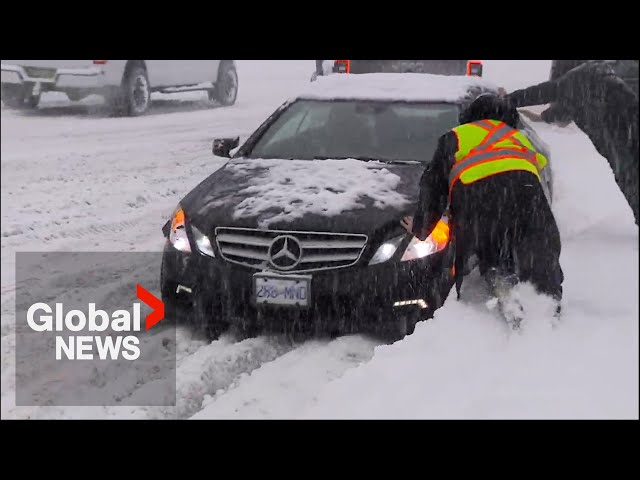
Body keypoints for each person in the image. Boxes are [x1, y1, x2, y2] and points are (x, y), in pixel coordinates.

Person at [401, 94, 564, 324]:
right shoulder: (519, 138)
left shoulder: (455, 137)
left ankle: (500, 284)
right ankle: (548, 310)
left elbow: (433, 187)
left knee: (488, 250)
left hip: (481, 203)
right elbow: (537, 170)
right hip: (529, 198)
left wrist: (421, 227)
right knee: (540, 254)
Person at [503, 60, 639, 225]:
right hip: (624, 135)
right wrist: (542, 117)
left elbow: (538, 92)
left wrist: (506, 100)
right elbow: (563, 111)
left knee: (628, 176)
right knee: (627, 176)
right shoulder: (591, 84)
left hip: (621, 137)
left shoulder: (576, 81)